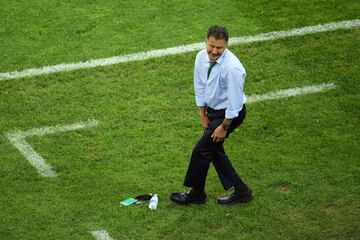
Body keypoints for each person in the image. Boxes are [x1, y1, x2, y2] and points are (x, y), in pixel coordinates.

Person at [170, 26, 252, 205]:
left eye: (219, 48)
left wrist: (224, 126)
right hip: (213, 112)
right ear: (206, 41)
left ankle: (197, 194)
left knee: (202, 149)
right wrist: (202, 114)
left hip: (230, 115)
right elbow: (199, 85)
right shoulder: (201, 57)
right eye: (211, 46)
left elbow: (235, 103)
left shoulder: (233, 69)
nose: (214, 51)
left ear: (227, 46)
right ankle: (241, 191)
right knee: (212, 150)